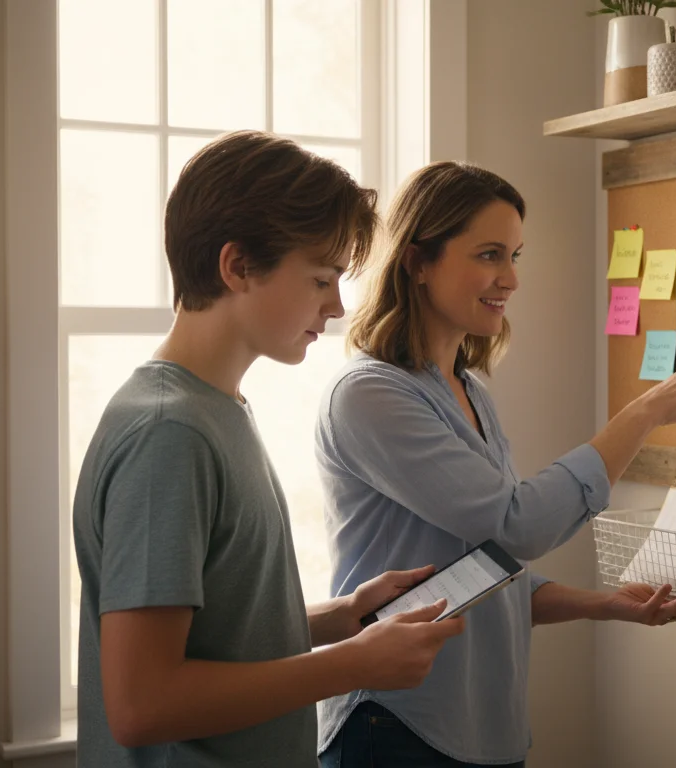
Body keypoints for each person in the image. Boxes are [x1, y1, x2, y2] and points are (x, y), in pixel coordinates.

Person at [314, 161, 676, 767]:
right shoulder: (369, 396)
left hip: (486, 730)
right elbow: (520, 525)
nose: (510, 279)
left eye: (516, 255)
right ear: (417, 261)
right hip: (396, 723)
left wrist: (607, 604)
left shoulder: (470, 393)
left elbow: (487, 568)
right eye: (490, 254)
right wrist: (644, 412)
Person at [72, 132, 463, 768]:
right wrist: (351, 666)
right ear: (237, 266)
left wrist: (342, 619)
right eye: (319, 278)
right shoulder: (170, 435)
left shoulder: (215, 410)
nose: (336, 306)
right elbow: (142, 704)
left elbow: (214, 640)